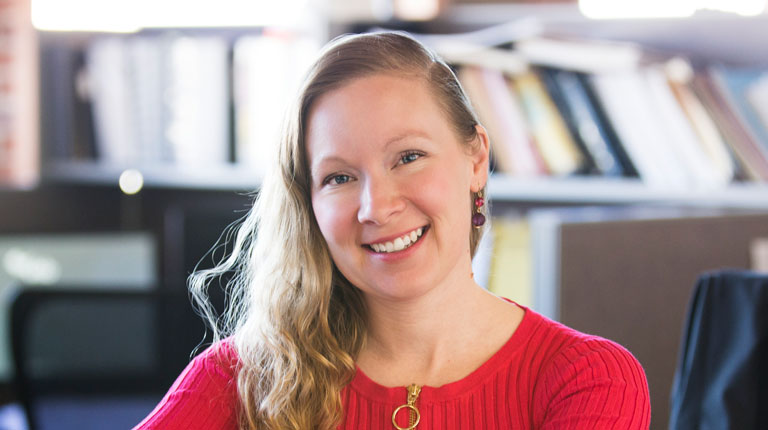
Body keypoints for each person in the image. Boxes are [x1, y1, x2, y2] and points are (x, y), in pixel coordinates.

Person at [134, 31, 651, 430]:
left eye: (408, 157)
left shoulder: (585, 380)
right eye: (339, 177)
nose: (375, 207)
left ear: (476, 159)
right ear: (308, 202)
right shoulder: (244, 377)